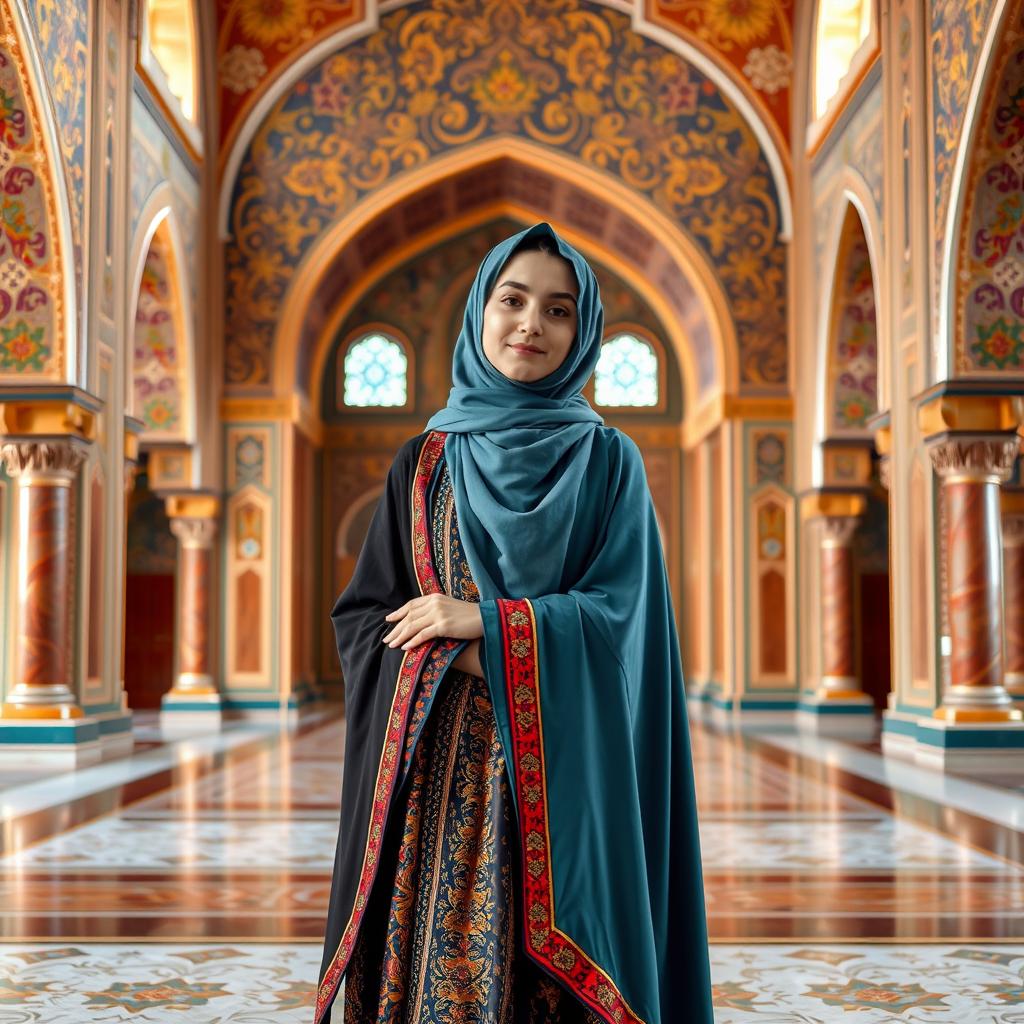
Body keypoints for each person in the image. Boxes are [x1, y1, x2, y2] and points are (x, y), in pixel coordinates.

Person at [316, 222, 712, 1024]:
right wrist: (469, 651)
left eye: (560, 310)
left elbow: (621, 627)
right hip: (433, 783)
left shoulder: (608, 462)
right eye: (512, 300)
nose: (532, 323)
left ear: (583, 331)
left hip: (567, 783)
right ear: (479, 312)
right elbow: (367, 620)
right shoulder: (422, 462)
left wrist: (480, 627)